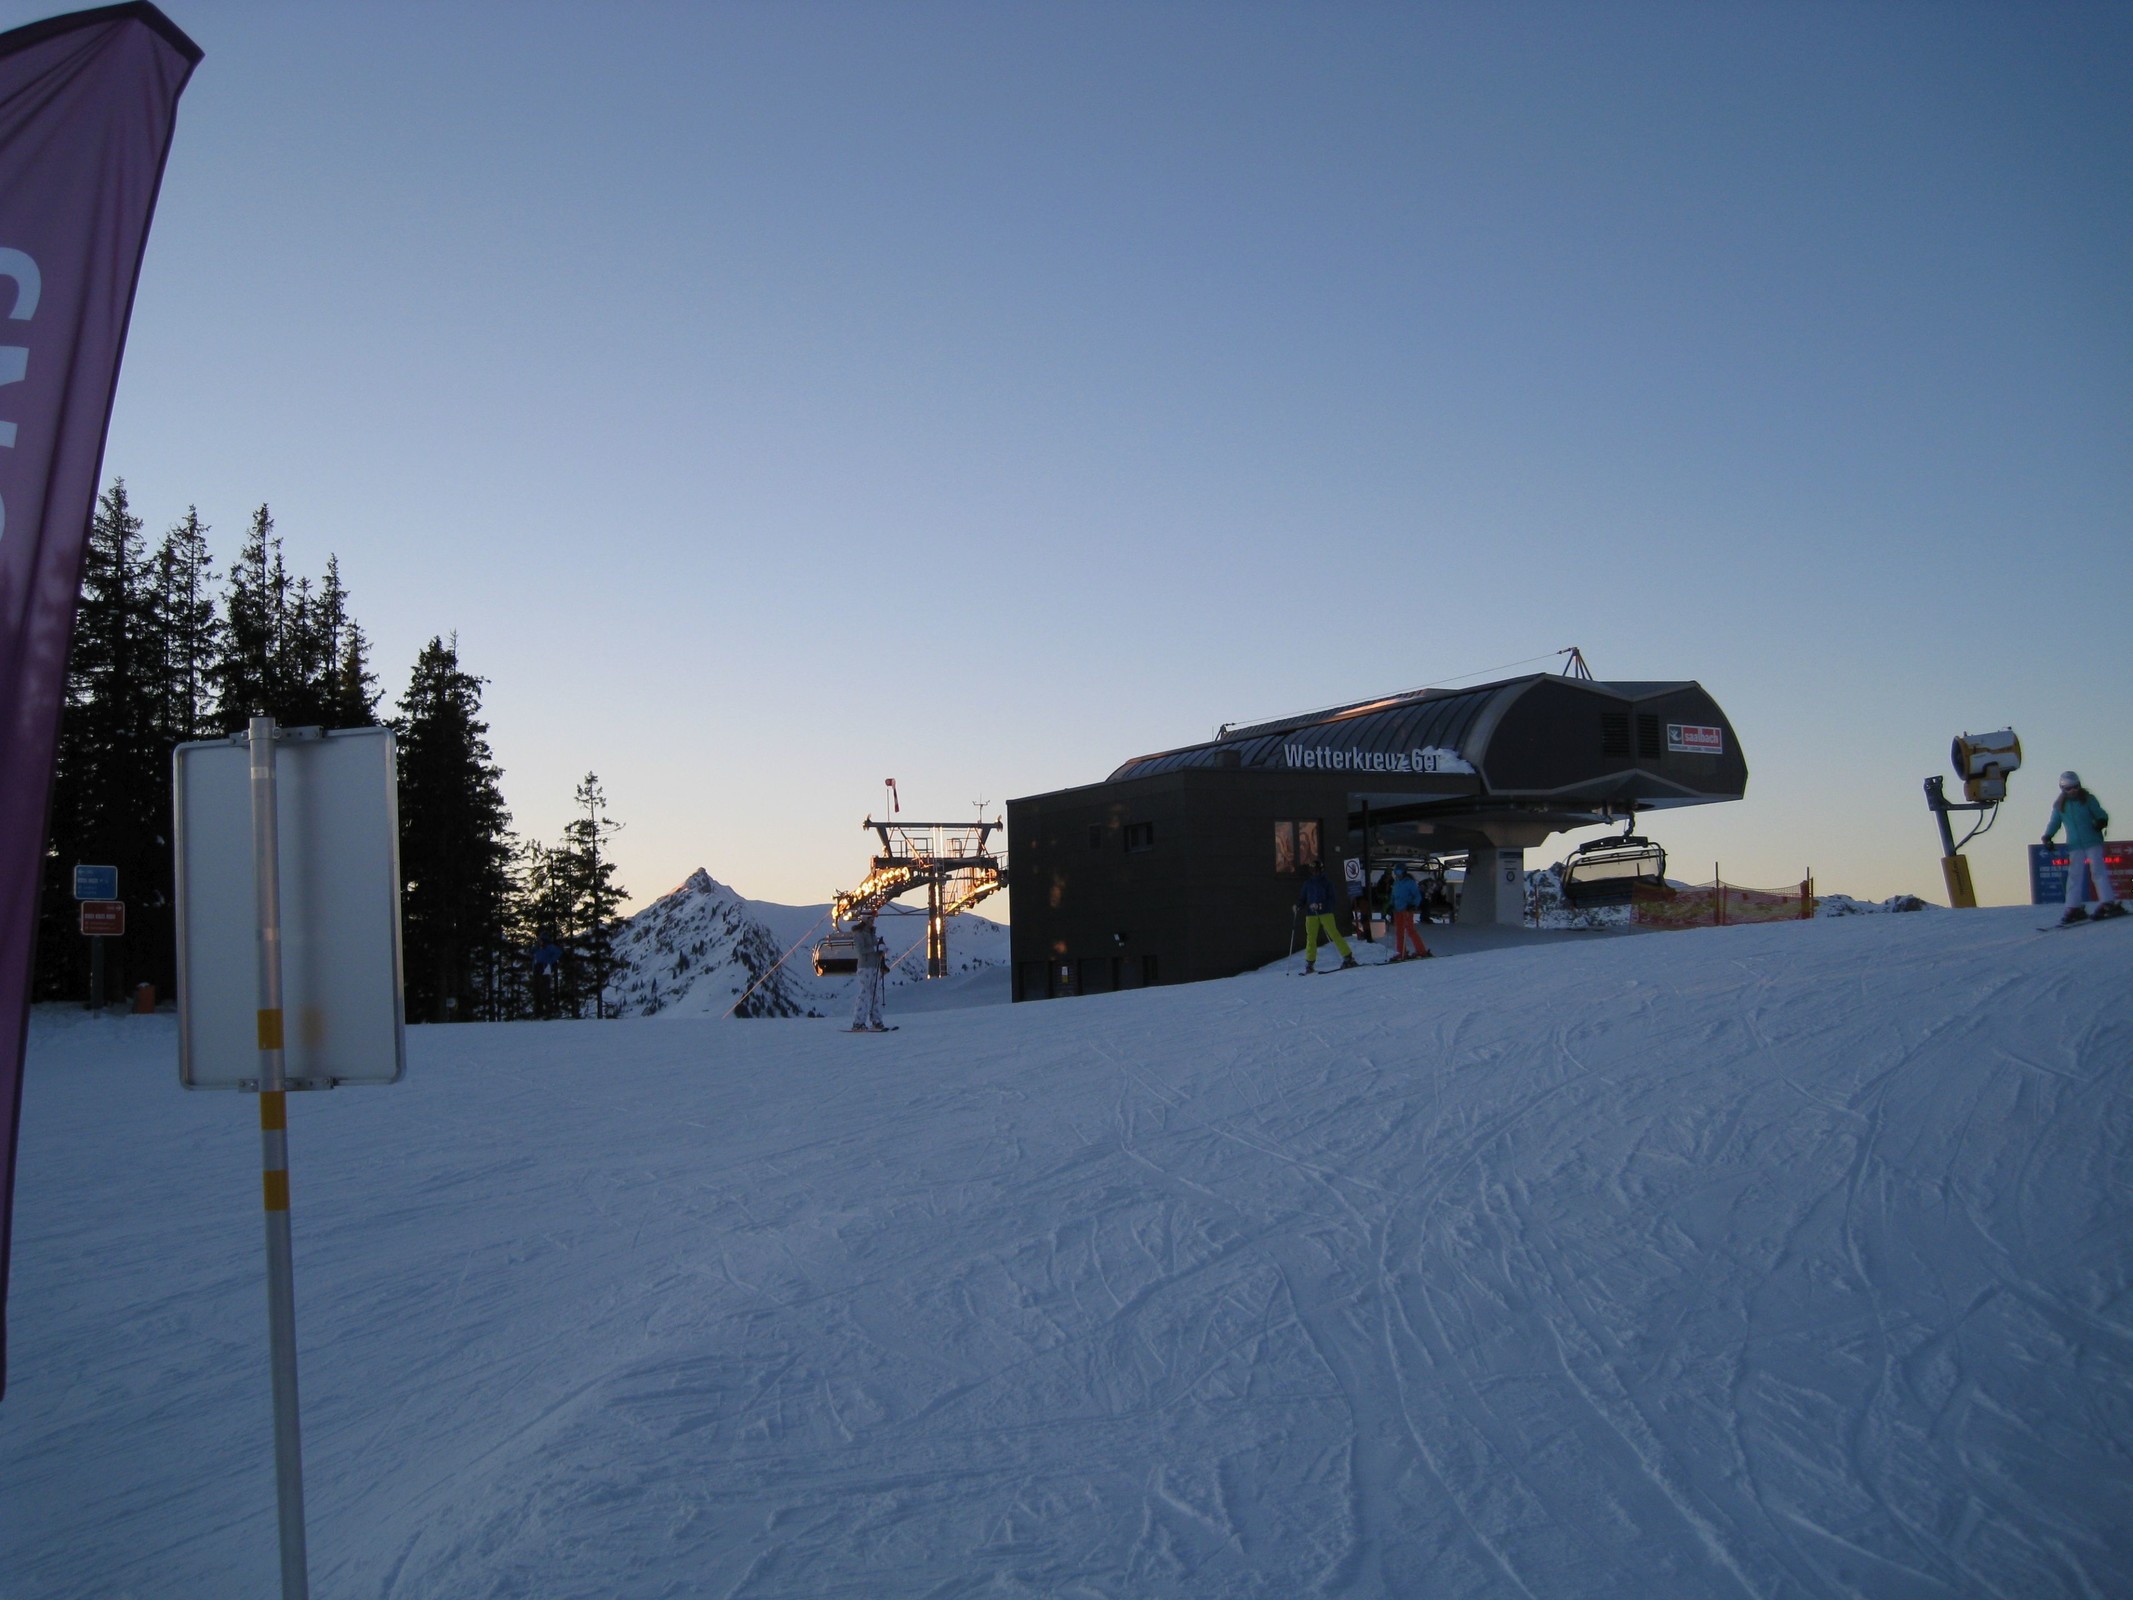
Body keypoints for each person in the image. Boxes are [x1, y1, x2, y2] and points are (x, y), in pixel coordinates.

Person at [2043, 771, 2125, 924]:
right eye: (2069, 789)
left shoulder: (2088, 799)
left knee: (2098, 872)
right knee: (2074, 875)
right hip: (2075, 845)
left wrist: (2101, 821)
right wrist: (2048, 836)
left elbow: (2100, 813)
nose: (2073, 791)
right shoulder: (2060, 805)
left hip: (2092, 841)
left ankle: (2107, 902)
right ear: (2063, 789)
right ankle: (2073, 907)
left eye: (2075, 787)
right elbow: (2055, 822)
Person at [1298, 862, 1357, 973]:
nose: (1314, 873)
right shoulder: (1308, 883)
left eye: (1316, 870)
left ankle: (1348, 956)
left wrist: (1321, 905)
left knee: (1334, 934)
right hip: (1311, 914)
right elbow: (1303, 897)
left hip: (1325, 913)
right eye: (1312, 871)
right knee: (1311, 938)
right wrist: (1299, 905)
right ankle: (1310, 963)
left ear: (1321, 870)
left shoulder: (1327, 883)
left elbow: (1332, 899)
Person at [849, 912, 890, 1030]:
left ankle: (876, 1020)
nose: (873, 921)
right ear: (865, 920)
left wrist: (882, 950)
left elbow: (873, 949)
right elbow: (861, 950)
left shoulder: (872, 933)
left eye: (873, 919)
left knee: (874, 994)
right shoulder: (859, 934)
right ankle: (858, 1022)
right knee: (865, 993)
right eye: (870, 919)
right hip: (865, 966)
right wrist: (875, 948)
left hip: (874, 966)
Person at [1388, 864, 1434, 961]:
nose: (1398, 874)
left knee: (1410, 930)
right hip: (1397, 910)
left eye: (1399, 872)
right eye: (1396, 873)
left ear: (1404, 872)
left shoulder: (1410, 883)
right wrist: (1391, 904)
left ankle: (1421, 950)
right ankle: (1401, 952)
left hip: (1406, 910)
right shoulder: (1397, 882)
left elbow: (1417, 896)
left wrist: (1413, 905)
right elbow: (1393, 895)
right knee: (1399, 932)